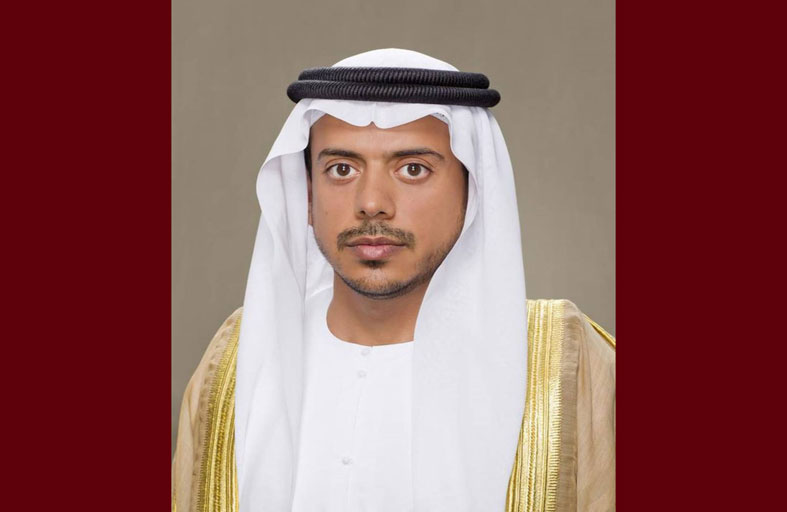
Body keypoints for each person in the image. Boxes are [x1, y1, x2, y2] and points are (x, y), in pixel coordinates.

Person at [172, 48, 615, 512]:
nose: (372, 203)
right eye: (342, 169)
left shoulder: (565, 363)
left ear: (474, 191)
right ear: (306, 194)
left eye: (413, 169)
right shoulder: (238, 360)